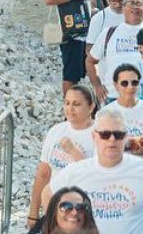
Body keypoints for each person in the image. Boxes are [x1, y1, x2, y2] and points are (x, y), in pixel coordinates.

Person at [44, 108, 143, 234]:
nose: (111, 140)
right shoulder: (76, 171)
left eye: (118, 135)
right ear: (94, 136)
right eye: (105, 134)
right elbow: (47, 193)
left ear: (125, 137)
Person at [28, 86, 98, 229]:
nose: (70, 108)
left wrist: (73, 151)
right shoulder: (56, 131)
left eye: (76, 104)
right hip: (54, 207)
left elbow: (97, 175)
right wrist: (33, 213)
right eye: (67, 103)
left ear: (91, 107)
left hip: (83, 212)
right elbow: (43, 173)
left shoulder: (100, 134)